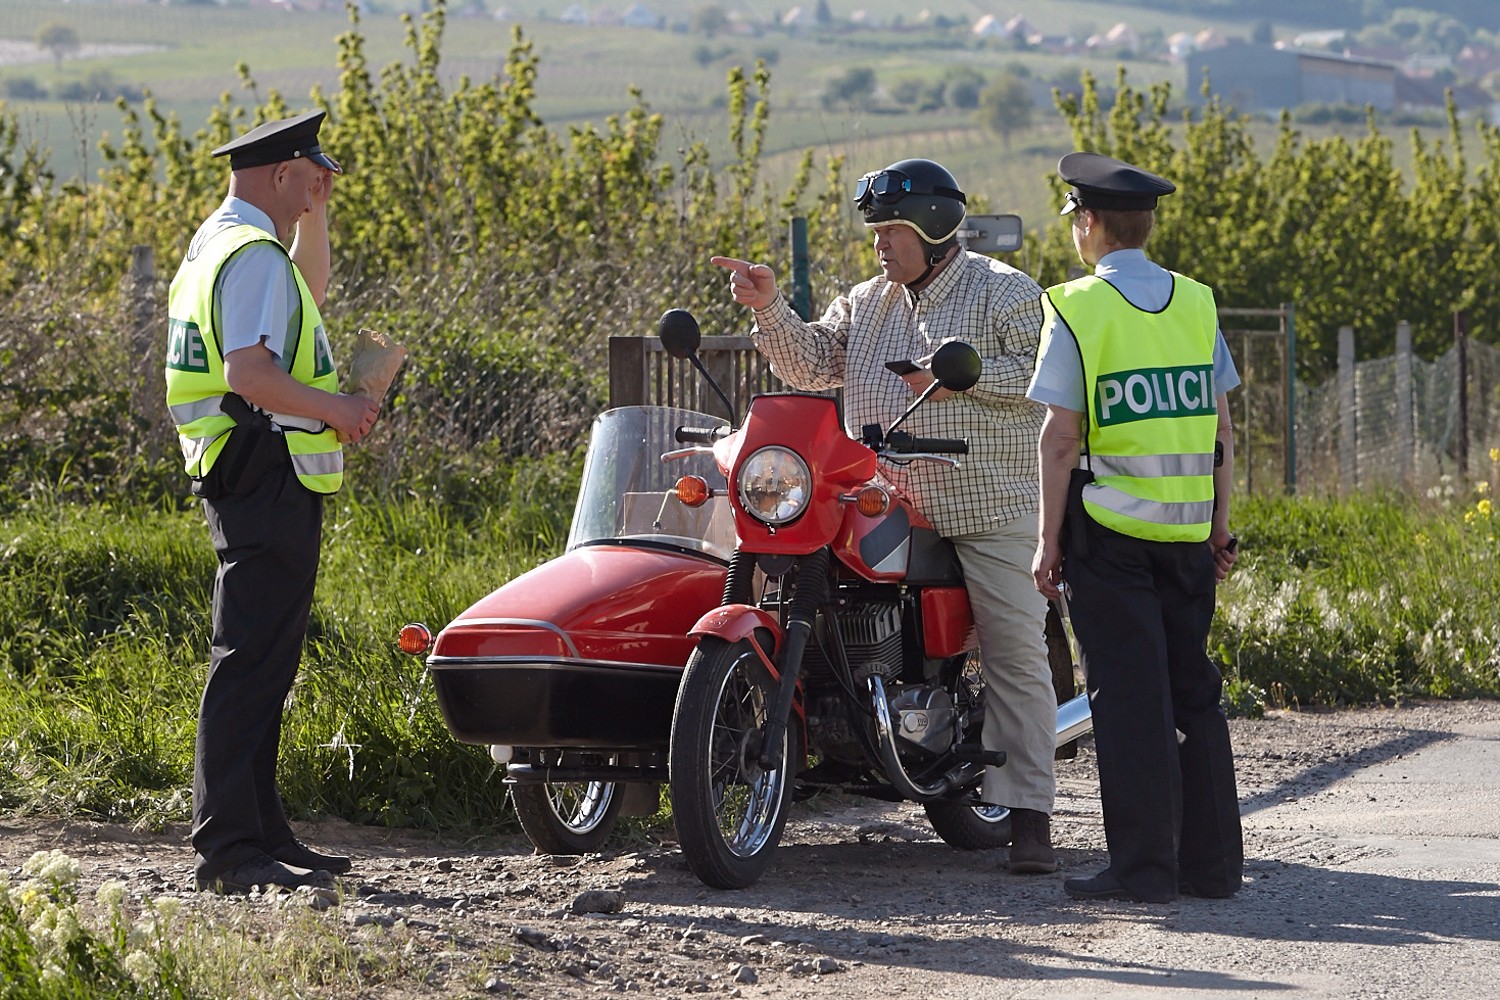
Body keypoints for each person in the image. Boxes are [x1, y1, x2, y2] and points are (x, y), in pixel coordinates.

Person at [712, 158, 1060, 873]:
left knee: (1013, 648)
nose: (879, 244)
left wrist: (952, 376)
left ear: (932, 229)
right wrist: (768, 307)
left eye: (891, 230)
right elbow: (811, 365)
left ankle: (1029, 818)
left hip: (985, 503)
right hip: (871, 502)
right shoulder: (867, 302)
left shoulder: (1004, 293)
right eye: (875, 231)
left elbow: (1041, 377)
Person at [165, 109, 380, 894]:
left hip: (246, 466)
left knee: (262, 659)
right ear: (280, 171)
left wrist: (316, 215)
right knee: (249, 660)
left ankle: (261, 831)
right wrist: (339, 411)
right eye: (310, 178)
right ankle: (228, 849)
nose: (316, 189)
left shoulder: (224, 244)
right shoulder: (251, 255)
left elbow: (306, 289)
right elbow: (247, 373)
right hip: (265, 465)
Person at [1028, 151, 1243, 903]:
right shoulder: (1197, 303)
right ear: (1146, 226)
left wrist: (1047, 542)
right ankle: (1213, 869)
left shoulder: (1077, 308)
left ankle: (1144, 871)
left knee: (1128, 702)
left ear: (1089, 225)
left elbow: (1060, 438)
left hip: (1110, 535)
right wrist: (1221, 527)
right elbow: (1221, 427)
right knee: (1193, 695)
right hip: (1188, 536)